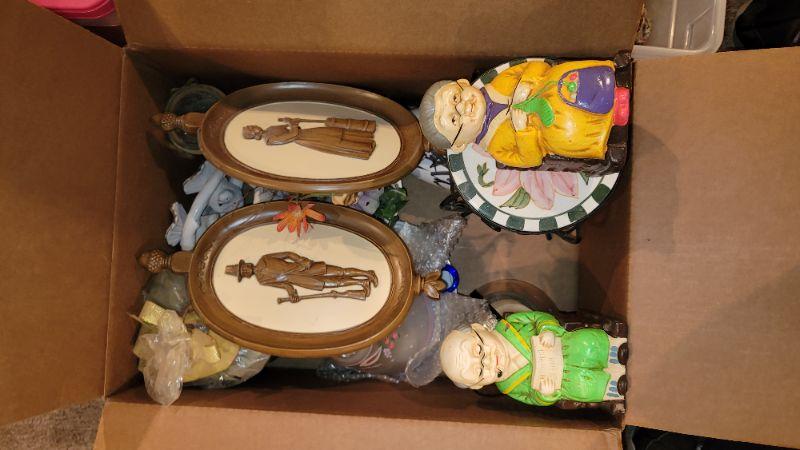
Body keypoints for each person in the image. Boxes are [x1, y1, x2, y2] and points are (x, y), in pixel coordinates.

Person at [419, 60, 627, 169]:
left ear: (463, 83)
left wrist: (526, 82)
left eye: (456, 98)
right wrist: (522, 132)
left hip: (553, 85)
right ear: (459, 145)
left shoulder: (499, 81)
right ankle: (609, 123)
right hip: (555, 128)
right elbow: (530, 160)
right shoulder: (496, 148)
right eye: (454, 119)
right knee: (562, 137)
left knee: (560, 75)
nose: (463, 107)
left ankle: (608, 81)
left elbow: (537, 65)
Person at [439, 310, 627, 407]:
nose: (487, 361)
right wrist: (544, 394)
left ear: (479, 328)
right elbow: (532, 399)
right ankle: (612, 385)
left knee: (585, 344)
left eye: (479, 350)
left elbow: (538, 317)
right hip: (564, 379)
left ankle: (613, 350)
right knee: (581, 388)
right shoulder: (508, 387)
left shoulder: (510, 325)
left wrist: (546, 330)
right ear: (478, 385)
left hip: (564, 345)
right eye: (479, 371)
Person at [226, 252, 378, 303]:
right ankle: (362, 282)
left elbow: (287, 254)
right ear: (245, 276)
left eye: (243, 267)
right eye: (243, 272)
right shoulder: (262, 281)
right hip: (303, 281)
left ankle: (367, 273)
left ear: (246, 263)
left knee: (339, 272)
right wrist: (292, 294)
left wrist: (301, 260)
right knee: (335, 284)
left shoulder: (264, 258)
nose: (245, 270)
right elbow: (284, 284)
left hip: (305, 268)